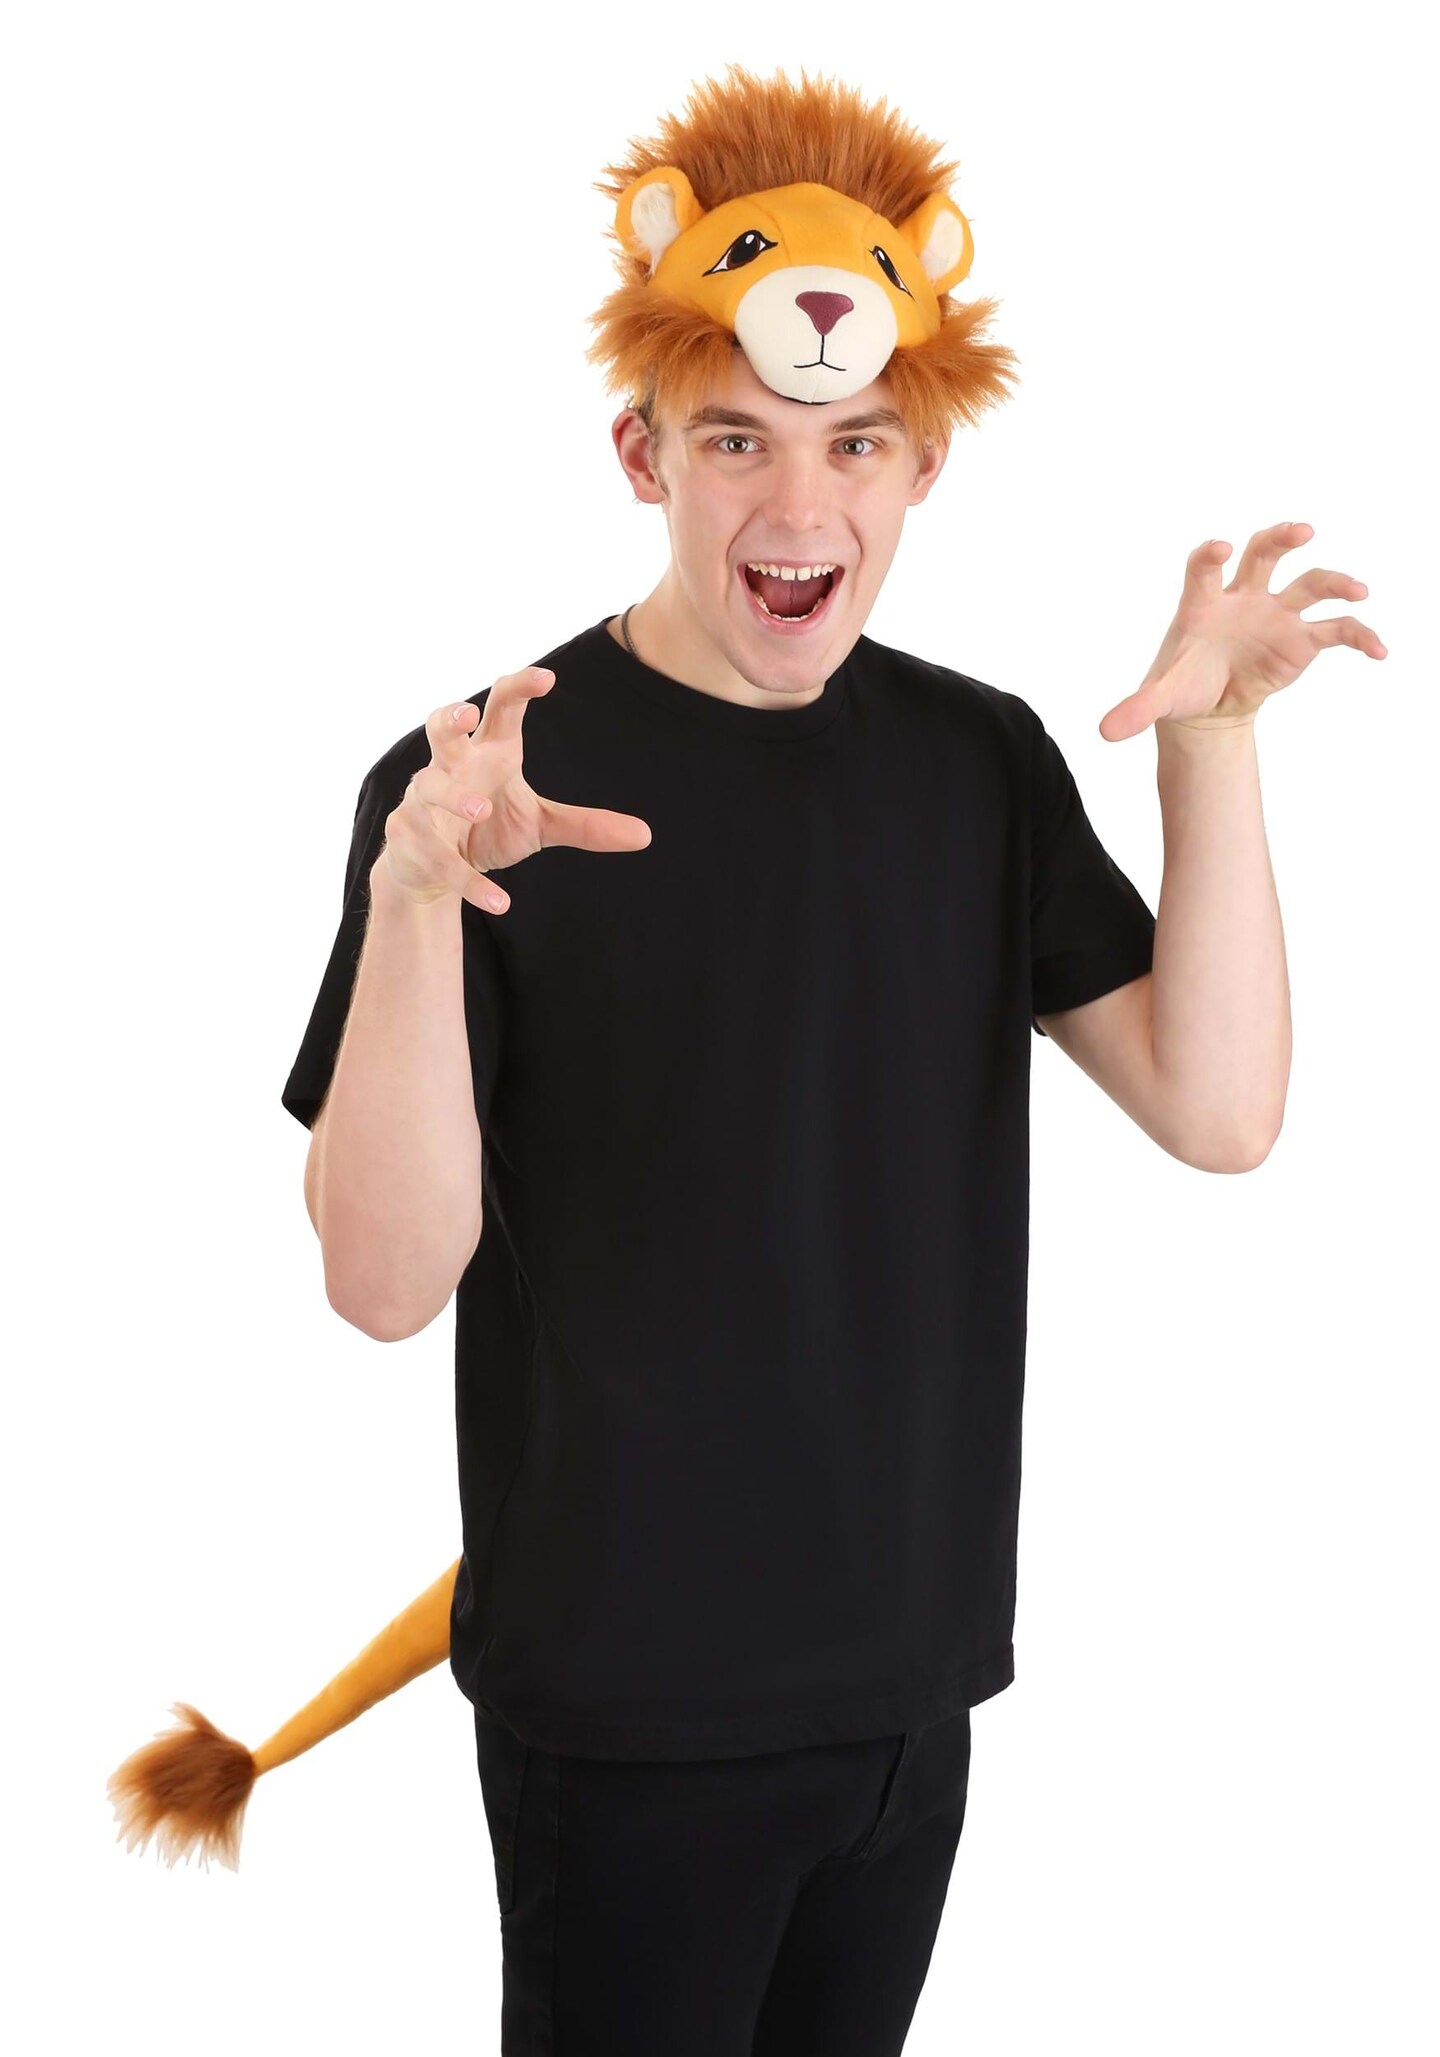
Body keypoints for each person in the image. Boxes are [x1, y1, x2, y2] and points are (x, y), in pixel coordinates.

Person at [266, 61, 1358, 2057]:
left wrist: (1212, 747)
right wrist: (416, 902)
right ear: (640, 453)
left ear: (921, 463)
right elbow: (382, 1281)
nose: (798, 507)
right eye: (734, 440)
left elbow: (1220, 1109)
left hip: (910, 1688)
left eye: (855, 444)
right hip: (629, 1710)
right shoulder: (483, 785)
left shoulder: (976, 764)